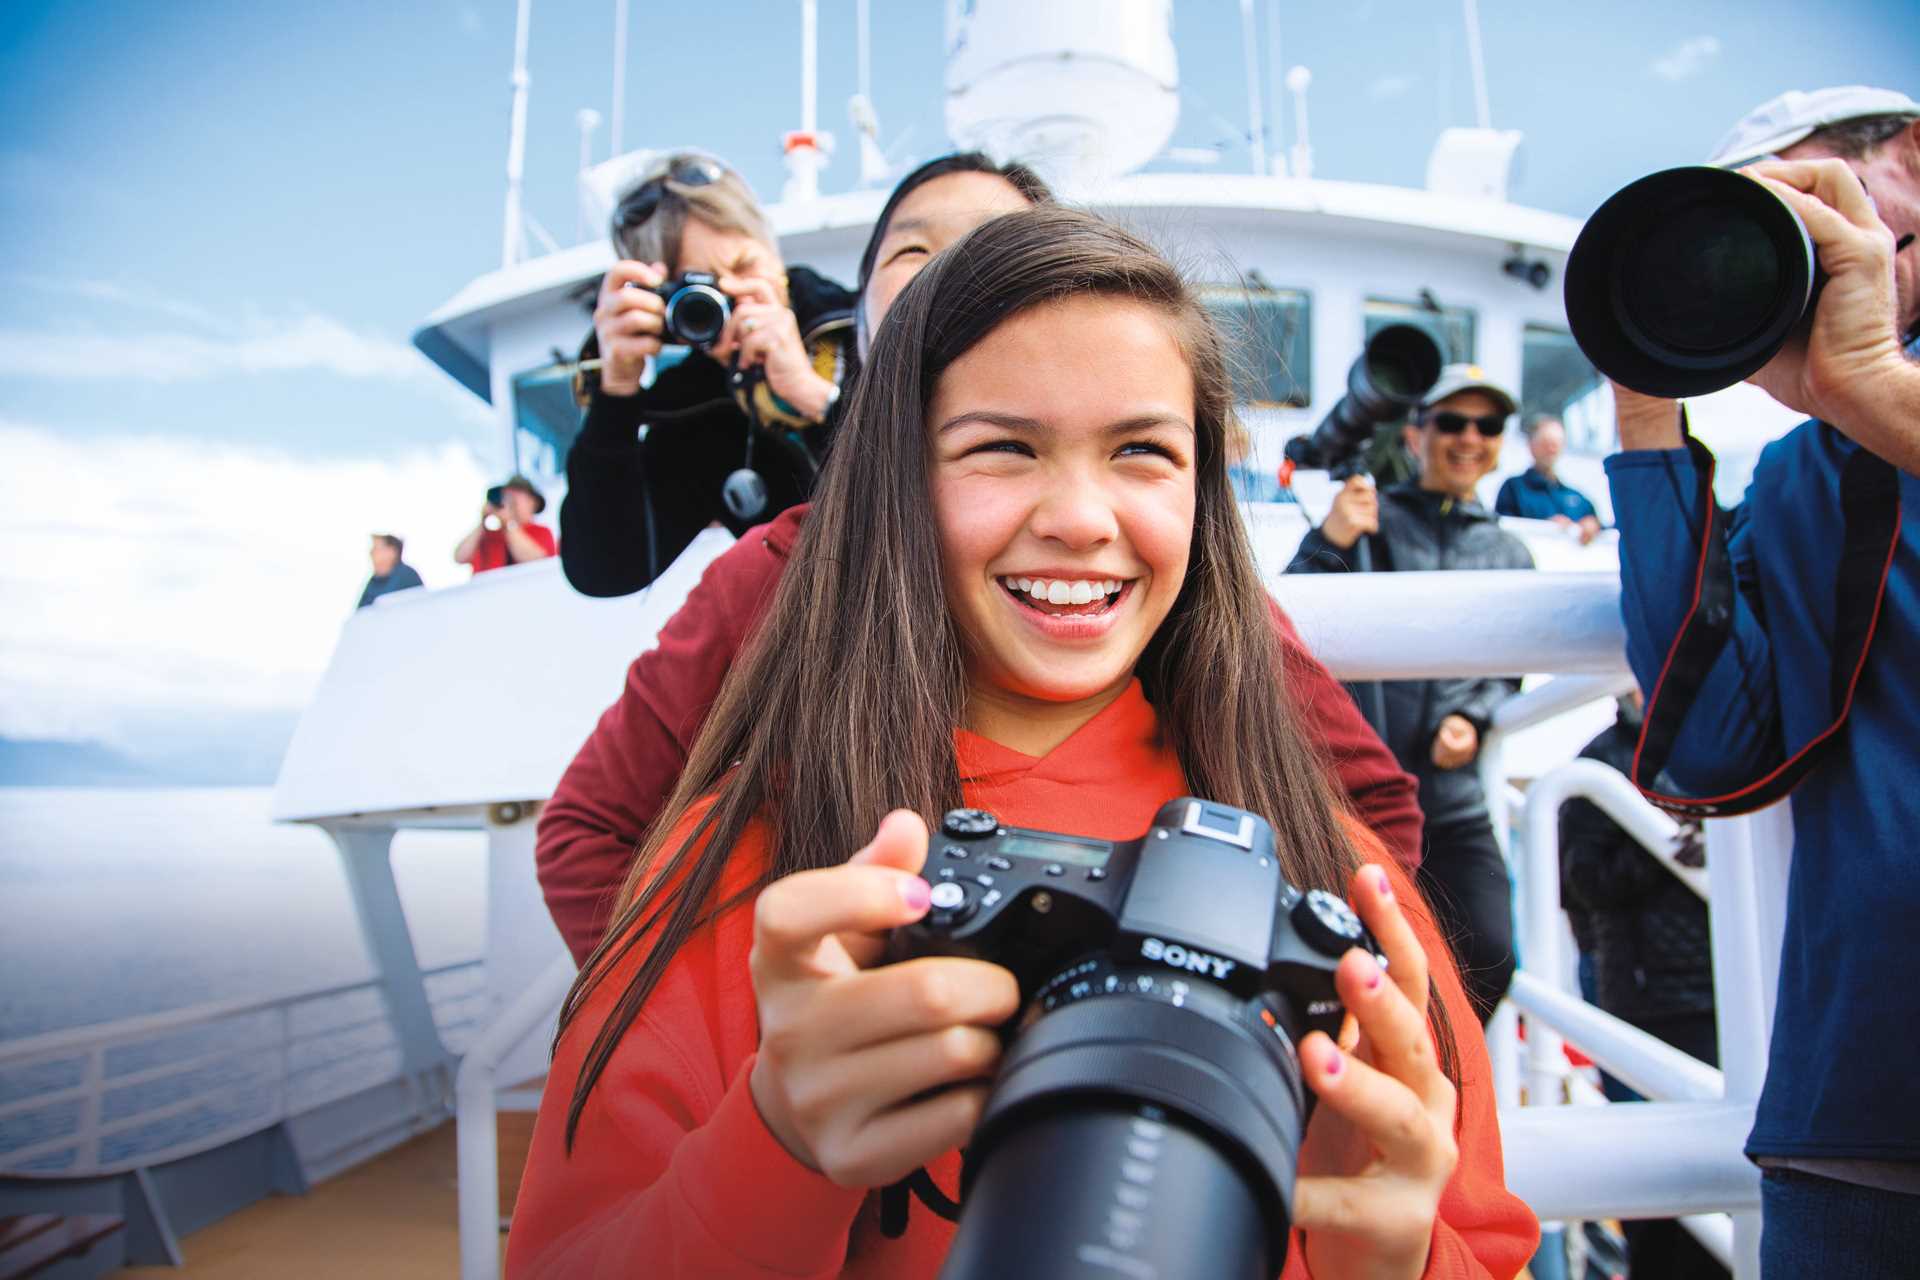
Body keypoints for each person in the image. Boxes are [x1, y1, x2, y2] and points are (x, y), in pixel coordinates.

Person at [505, 207, 1536, 1280]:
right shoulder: (746, 878)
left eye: (1143, 450)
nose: (1083, 516)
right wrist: (775, 1140)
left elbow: (1486, 1245)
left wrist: (1398, 1255)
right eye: (1002, 447)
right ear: (892, 481)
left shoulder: (1345, 876)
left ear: (1203, 493)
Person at [534, 152, 1424, 968]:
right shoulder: (777, 571)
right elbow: (589, 827)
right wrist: (749, 1050)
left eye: (1139, 451)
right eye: (917, 255)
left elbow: (1369, 817)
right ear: (857, 313)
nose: (1078, 523)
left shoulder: (1180, 583)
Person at [1606, 86, 1920, 1273]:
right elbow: (1710, 744)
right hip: (1861, 1099)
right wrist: (1646, 404)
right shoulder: (1810, 467)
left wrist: (1880, 392)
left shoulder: (1865, 412)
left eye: (1799, 194)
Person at [1286, 366, 1534, 1022]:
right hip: (1356, 793)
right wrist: (1332, 537)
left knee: (1489, 950)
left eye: (1487, 426)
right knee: (1343, 955)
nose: (1469, 438)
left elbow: (1509, 670)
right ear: (1419, 433)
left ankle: (1440, 1078)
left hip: (1452, 799)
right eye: (1452, 422)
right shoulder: (1371, 516)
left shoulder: (1509, 549)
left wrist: (1474, 719)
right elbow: (1285, 627)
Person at [561, 153, 859, 597]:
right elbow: (605, 570)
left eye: (742, 268)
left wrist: (814, 396)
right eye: (697, 290)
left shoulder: (866, 329)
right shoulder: (693, 409)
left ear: (774, 256)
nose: (728, 299)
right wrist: (616, 395)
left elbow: (936, 500)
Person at [1560, 693, 1726, 1280]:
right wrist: (1665, 849)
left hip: (1723, 994)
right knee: (1657, 1188)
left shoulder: (1723, 745)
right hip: (1648, 999)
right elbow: (1580, 880)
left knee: (1723, 1178)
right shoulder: (1601, 763)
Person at [1494, 415, 1602, 543]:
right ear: (1531, 445)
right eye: (1545, 443)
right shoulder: (1514, 489)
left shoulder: (1577, 498)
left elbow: (1605, 531)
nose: (1551, 449)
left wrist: (1594, 525)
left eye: (1556, 444)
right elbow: (1502, 532)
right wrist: (1546, 528)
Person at [454, 474, 556, 574]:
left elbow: (538, 562)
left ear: (533, 502)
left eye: (517, 496)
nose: (509, 501)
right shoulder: (486, 535)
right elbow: (459, 557)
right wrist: (483, 521)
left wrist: (509, 524)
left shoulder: (542, 532)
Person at [356, 533, 422, 608]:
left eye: (376, 548)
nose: (371, 552)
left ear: (392, 552)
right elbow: (361, 612)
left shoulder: (406, 575)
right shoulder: (374, 581)